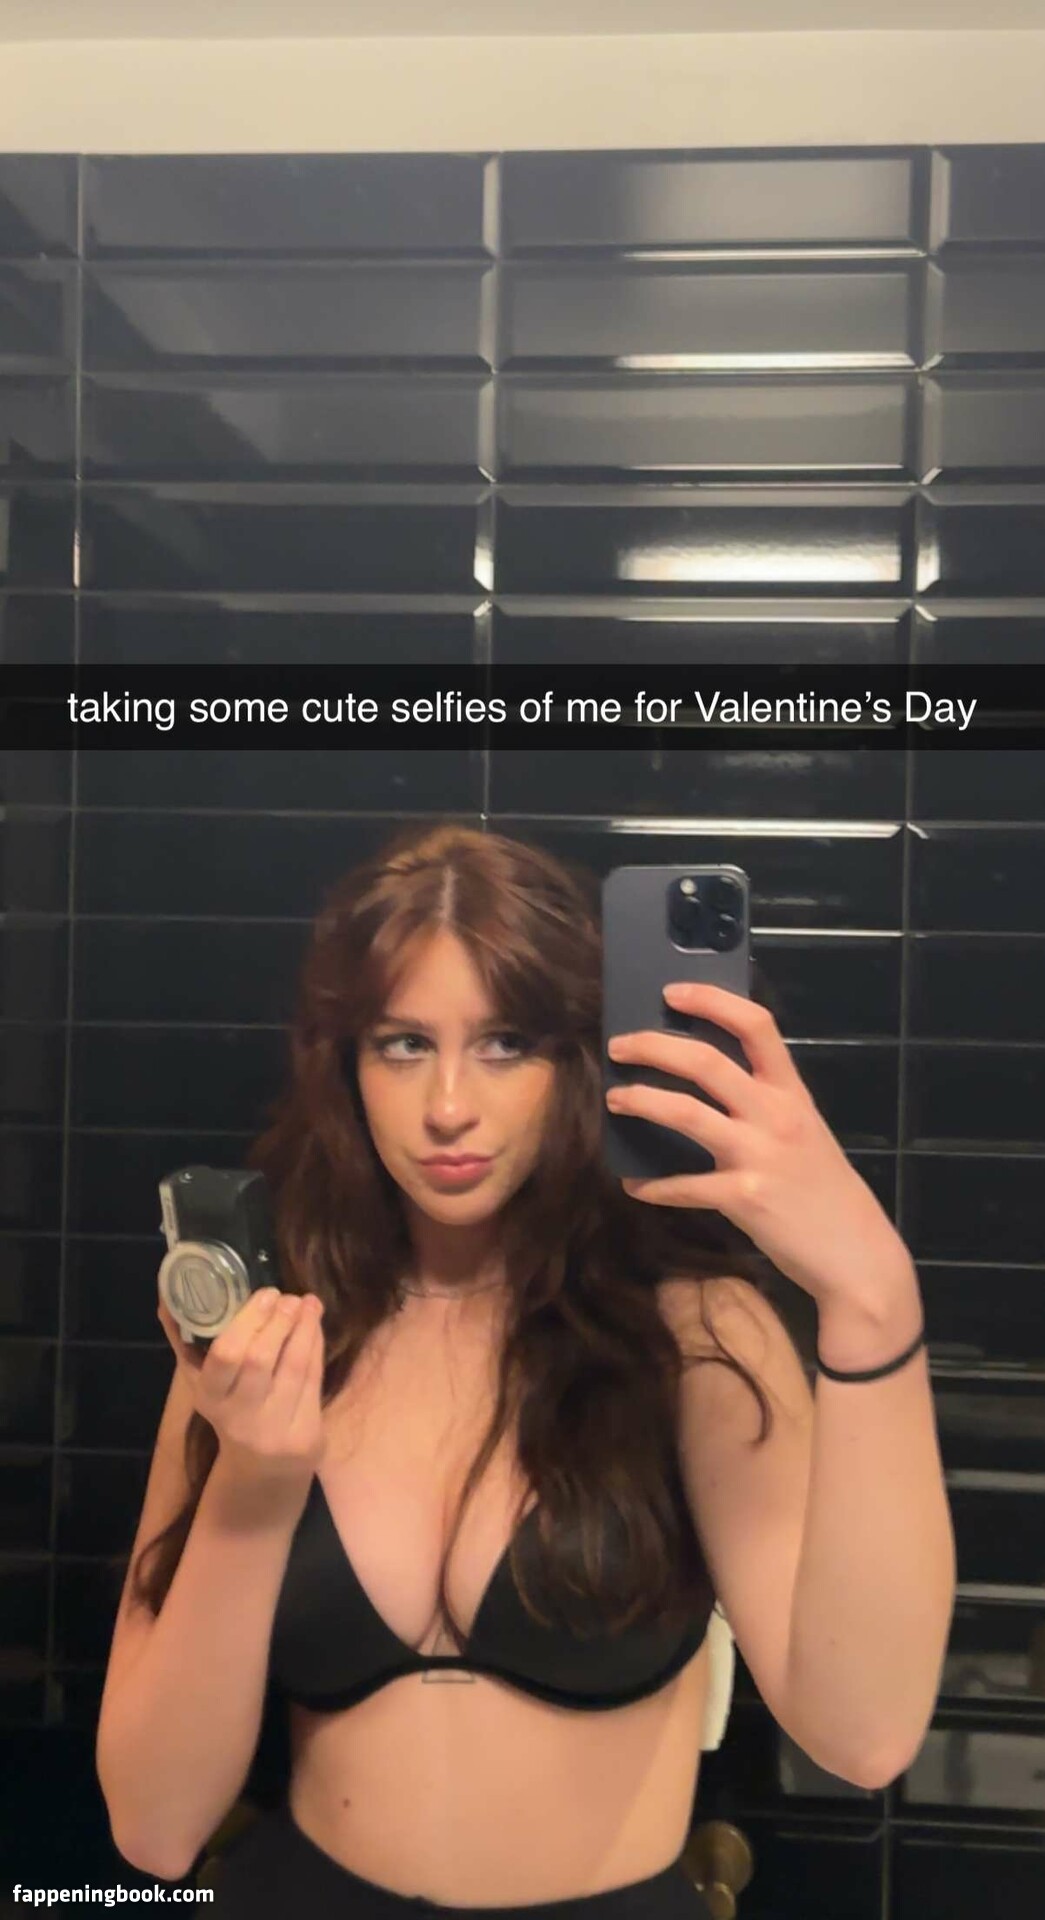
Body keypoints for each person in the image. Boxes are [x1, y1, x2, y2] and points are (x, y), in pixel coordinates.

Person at [95, 822, 955, 1918]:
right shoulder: (269, 1333)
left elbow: (864, 1736)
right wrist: (253, 1489)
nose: (449, 1104)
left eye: (506, 1043)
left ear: (578, 1059)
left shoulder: (693, 1335)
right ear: (344, 1065)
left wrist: (873, 1297)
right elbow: (156, 1828)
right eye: (403, 1043)